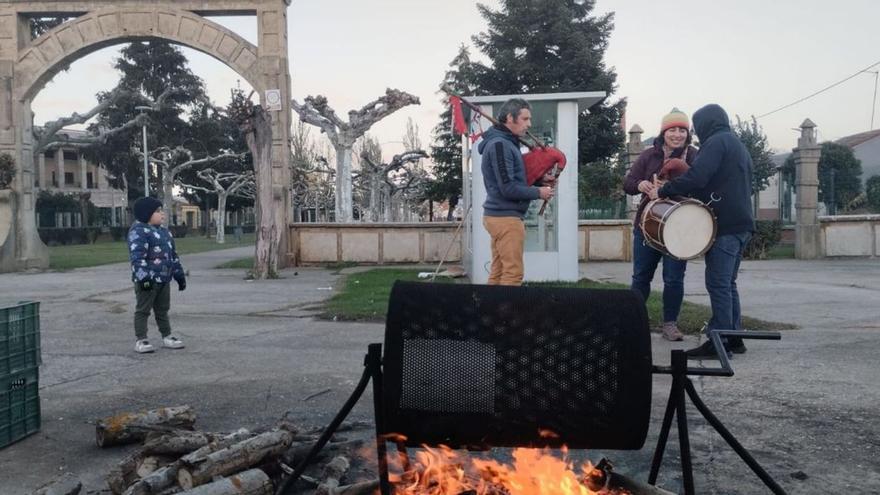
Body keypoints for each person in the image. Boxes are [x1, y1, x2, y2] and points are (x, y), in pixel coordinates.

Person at [646, 104, 755, 359]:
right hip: (743, 224)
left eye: (697, 125)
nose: (696, 132)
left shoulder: (716, 143)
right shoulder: (737, 145)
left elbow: (698, 177)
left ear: (706, 123)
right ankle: (735, 338)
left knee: (718, 283)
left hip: (726, 226)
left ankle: (720, 342)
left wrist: (662, 191)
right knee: (728, 283)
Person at [623, 108, 699, 341]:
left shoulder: (695, 155)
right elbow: (628, 183)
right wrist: (641, 184)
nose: (677, 134)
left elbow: (700, 185)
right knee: (640, 277)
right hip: (647, 226)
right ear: (663, 132)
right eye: (672, 130)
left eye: (682, 130)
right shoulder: (648, 155)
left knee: (674, 278)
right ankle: (631, 322)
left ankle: (670, 325)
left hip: (679, 229)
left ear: (688, 133)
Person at [479, 98, 555, 286]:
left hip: (500, 217)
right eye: (525, 118)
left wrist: (540, 180)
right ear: (510, 118)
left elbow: (511, 180)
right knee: (513, 274)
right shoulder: (500, 145)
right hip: (506, 219)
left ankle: (490, 314)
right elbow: (508, 188)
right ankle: (507, 316)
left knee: (498, 273)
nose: (529, 124)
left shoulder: (505, 143)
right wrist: (539, 192)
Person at [128, 197, 187, 354]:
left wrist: (179, 274)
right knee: (143, 309)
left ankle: (167, 336)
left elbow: (172, 256)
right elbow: (137, 258)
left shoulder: (165, 232)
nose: (162, 214)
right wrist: (143, 278)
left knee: (162, 309)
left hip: (164, 279)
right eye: (158, 211)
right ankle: (141, 339)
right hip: (147, 281)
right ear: (146, 213)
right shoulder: (138, 232)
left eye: (162, 211)